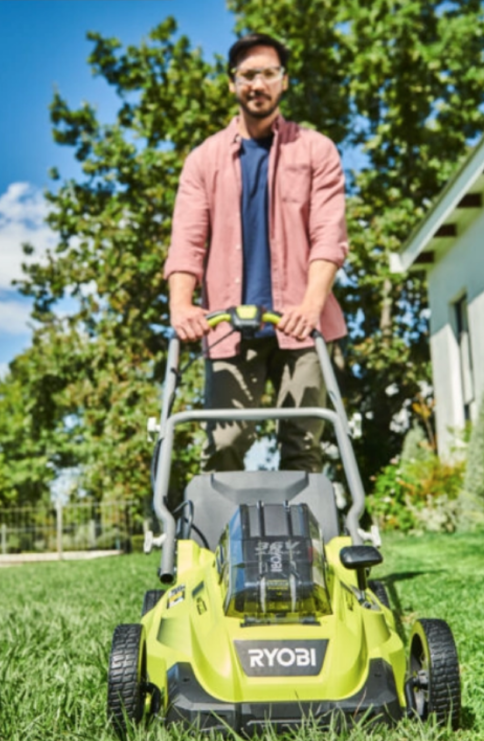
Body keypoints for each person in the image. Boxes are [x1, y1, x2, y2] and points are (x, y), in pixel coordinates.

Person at [164, 32, 348, 474]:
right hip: (227, 326)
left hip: (300, 322)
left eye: (268, 73)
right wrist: (182, 305)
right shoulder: (204, 160)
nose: (258, 84)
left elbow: (329, 235)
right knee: (224, 443)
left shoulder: (316, 150)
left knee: (304, 445)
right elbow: (187, 240)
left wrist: (311, 305)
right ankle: (221, 522)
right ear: (232, 83)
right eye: (247, 75)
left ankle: (303, 523)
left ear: (284, 81)